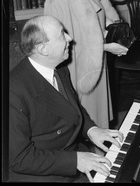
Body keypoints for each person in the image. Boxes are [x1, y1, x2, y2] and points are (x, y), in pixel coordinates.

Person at [9, 15, 124, 183]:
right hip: (39, 171)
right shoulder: (13, 91)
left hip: (67, 152)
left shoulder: (58, 67)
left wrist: (92, 130)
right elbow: (19, 159)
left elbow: (72, 108)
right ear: (43, 49)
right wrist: (76, 161)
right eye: (62, 34)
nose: (70, 38)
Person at [43, 0, 128, 129]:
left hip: (97, 65)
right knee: (88, 127)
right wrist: (107, 47)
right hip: (79, 73)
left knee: (101, 125)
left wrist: (111, 33)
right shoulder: (57, 0)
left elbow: (96, 19)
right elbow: (61, 50)